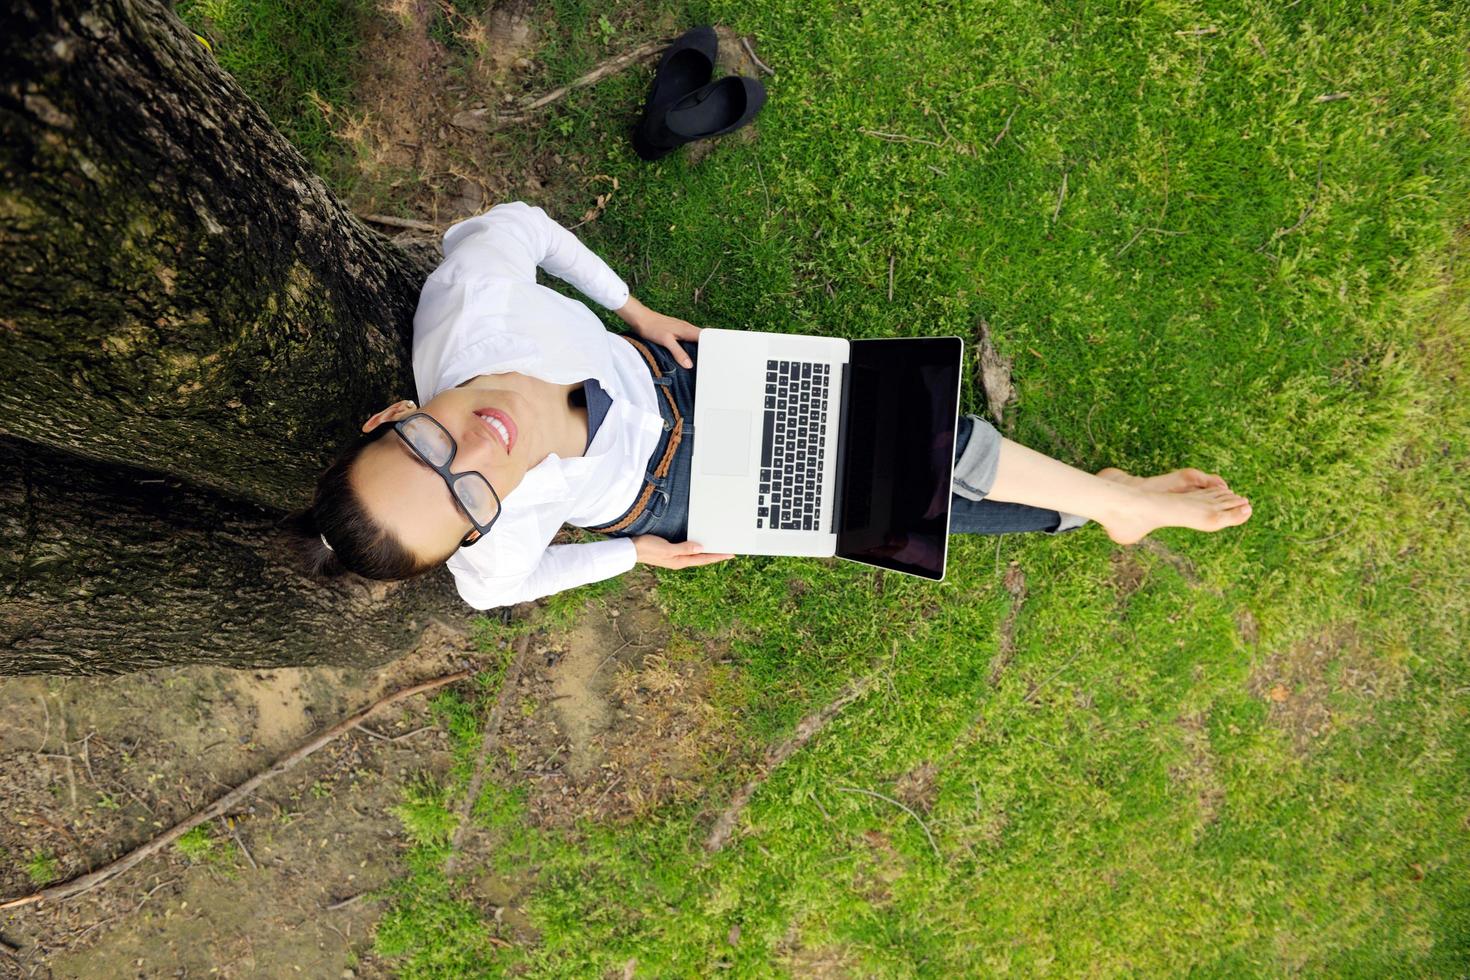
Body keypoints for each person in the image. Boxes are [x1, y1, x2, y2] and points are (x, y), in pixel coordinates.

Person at [291, 202, 1251, 608]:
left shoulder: (467, 307)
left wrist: (631, 305)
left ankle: (1118, 506)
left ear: (386, 416)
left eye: (421, 444)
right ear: (472, 531)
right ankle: (1093, 503)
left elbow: (519, 229)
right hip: (677, 496)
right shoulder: (488, 558)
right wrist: (636, 552)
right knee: (904, 509)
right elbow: (505, 586)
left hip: (689, 381)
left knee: (910, 437)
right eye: (465, 498)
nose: (475, 448)